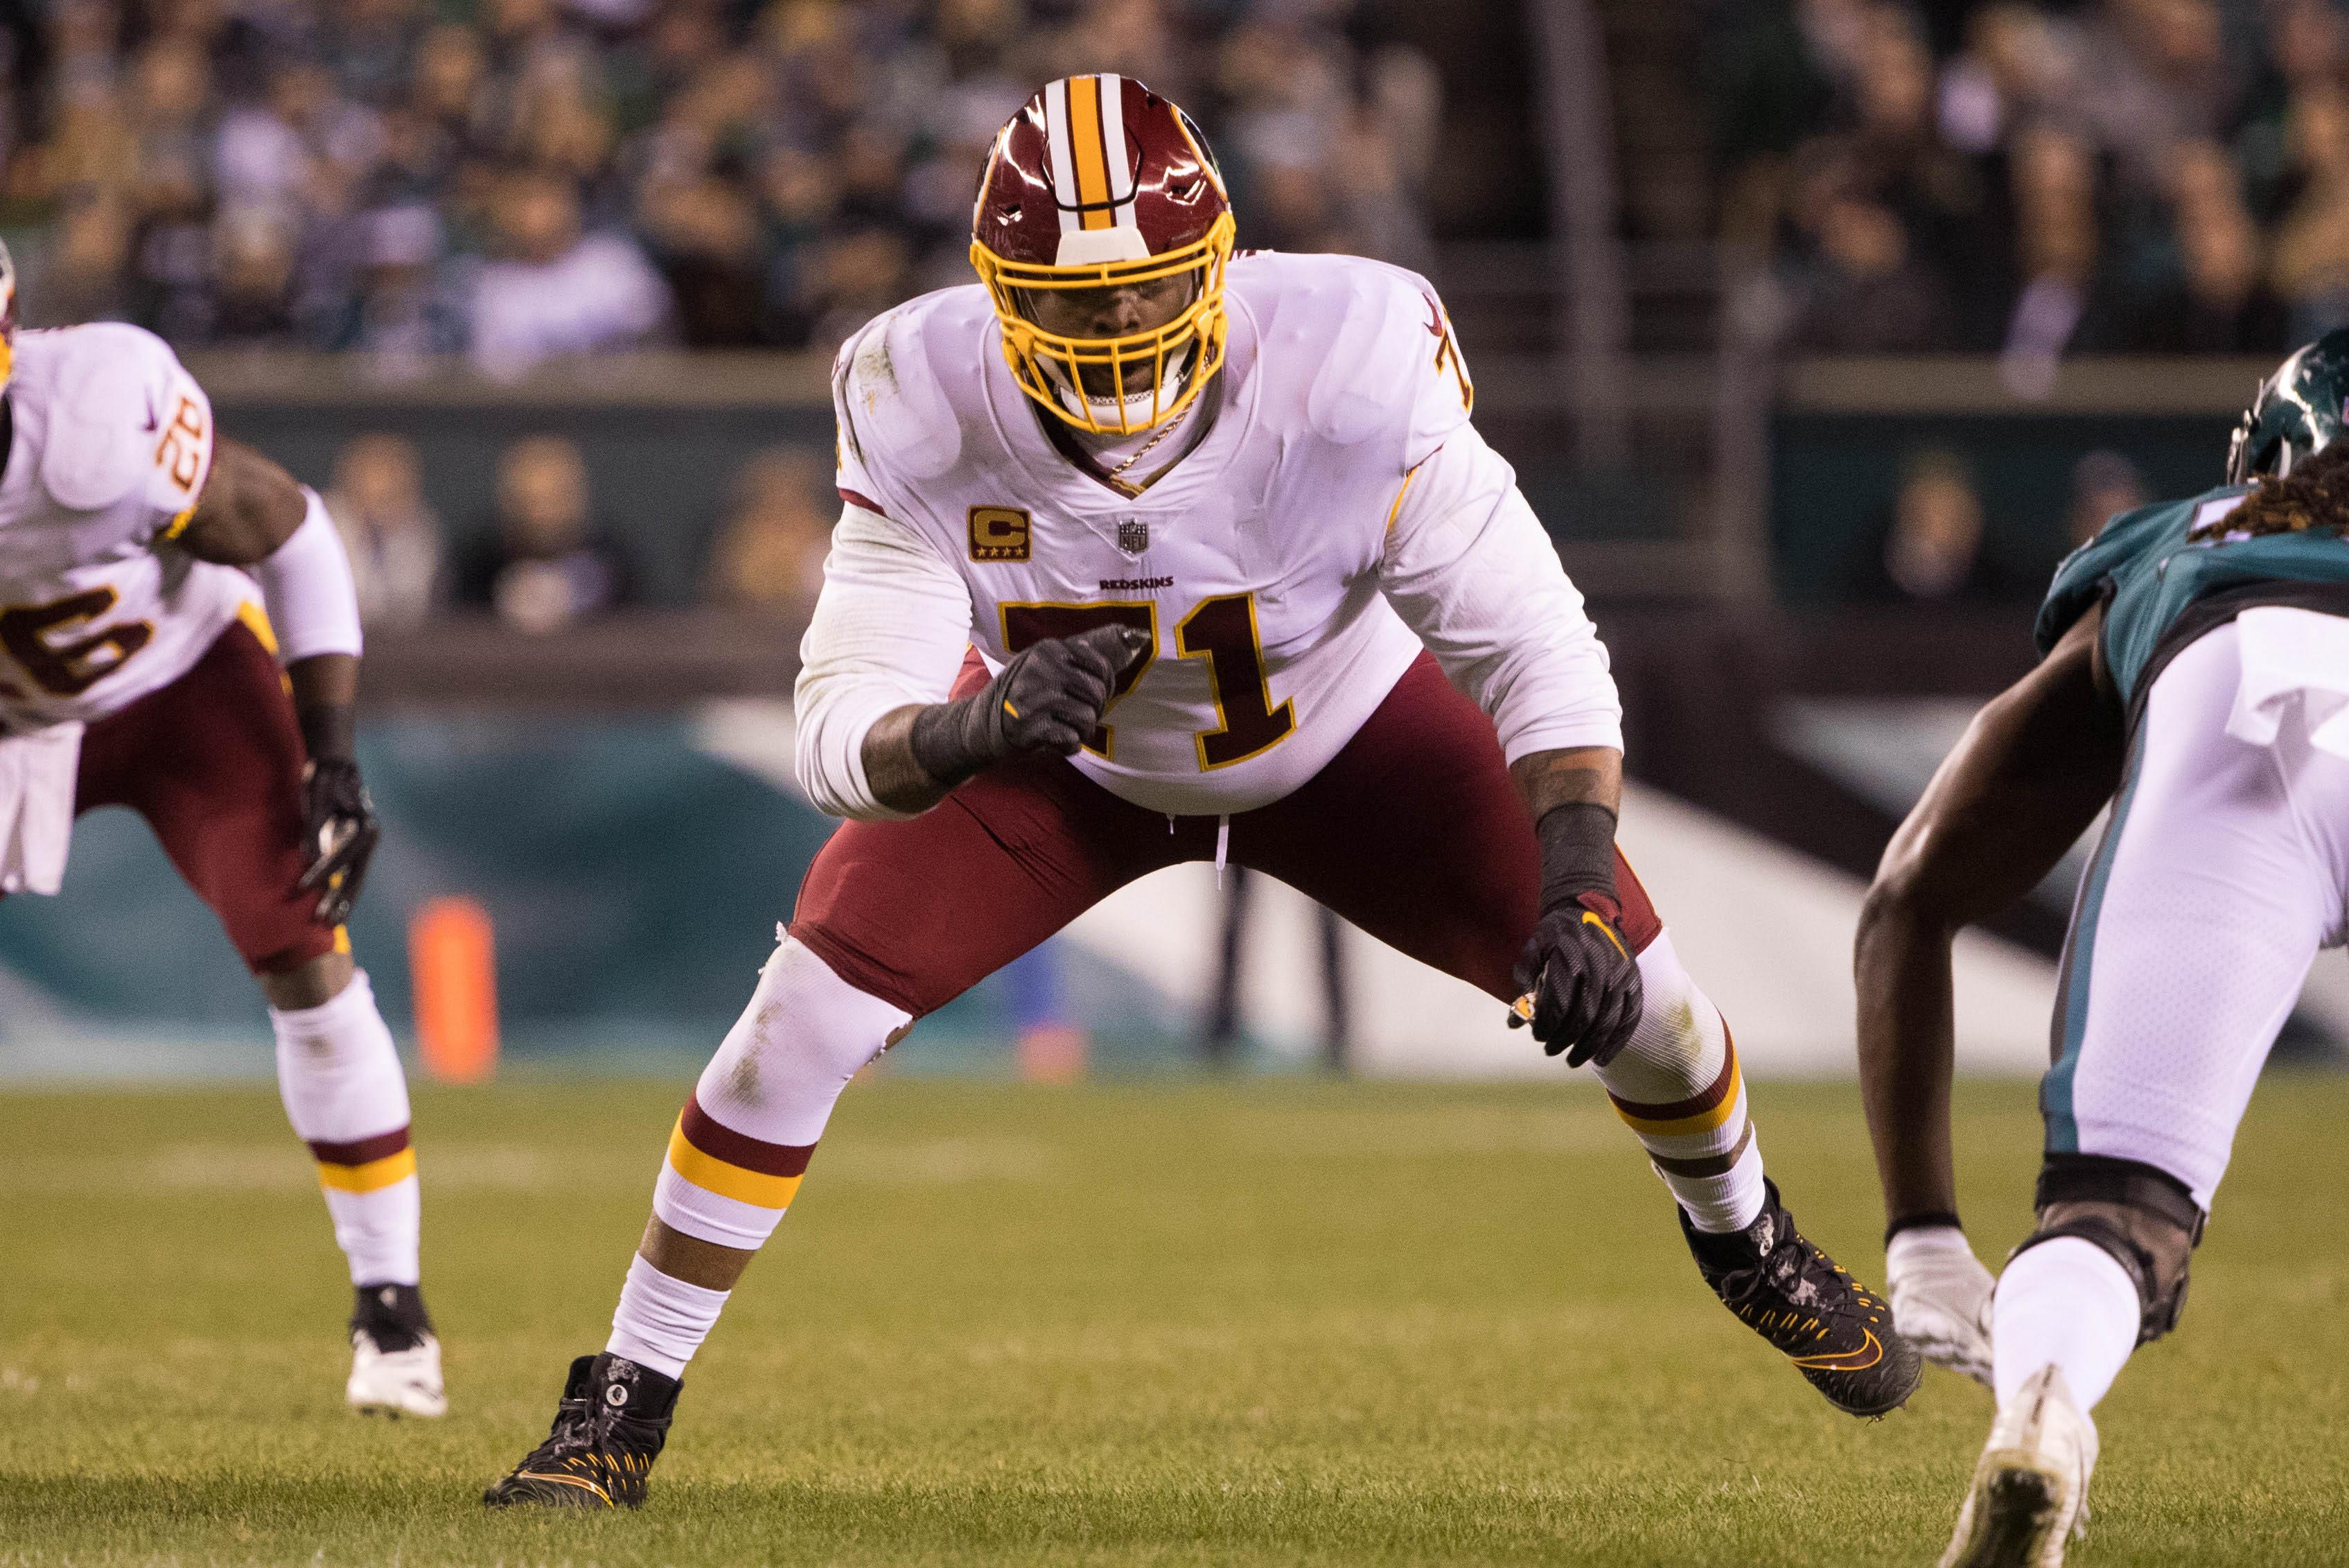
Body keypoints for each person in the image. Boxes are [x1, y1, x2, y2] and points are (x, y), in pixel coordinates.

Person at [482, 74, 1919, 1510]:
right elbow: (835, 725)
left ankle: (1747, 1238)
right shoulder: (919, 391)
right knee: (791, 1025)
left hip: (1344, 736)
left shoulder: (1352, 359)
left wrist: (1580, 877)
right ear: (995, 287)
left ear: (1217, 266)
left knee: (1654, 1011)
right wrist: (969, 734)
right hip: (1064, 765)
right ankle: (624, 1398)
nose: (1111, 329)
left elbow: (1537, 643)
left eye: (1144, 290)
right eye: (1067, 299)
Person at [1856, 328, 2349, 1566]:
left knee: (2113, 1220)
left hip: (2248, 691)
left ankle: (2048, 1405)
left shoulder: (2188, 535)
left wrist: (1921, 1239)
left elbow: (1912, 891)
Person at [0, 243, 442, 1417]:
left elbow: (289, 527)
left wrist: (333, 755)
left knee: (299, 950)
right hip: (12, 721)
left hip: (181, 685)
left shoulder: (94, 416)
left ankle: (391, 1308)